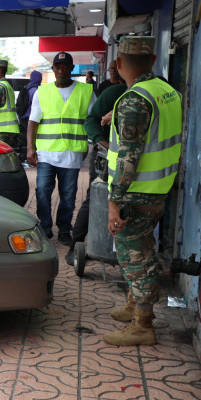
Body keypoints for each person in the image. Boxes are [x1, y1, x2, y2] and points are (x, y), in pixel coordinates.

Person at [103, 35, 182, 347]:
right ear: (152, 60)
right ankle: (136, 304)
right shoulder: (166, 91)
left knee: (136, 257)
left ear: (120, 63)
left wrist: (113, 202)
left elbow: (129, 157)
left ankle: (142, 324)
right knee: (141, 251)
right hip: (157, 189)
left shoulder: (135, 100)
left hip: (135, 195)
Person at [26, 52, 96, 244]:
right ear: (53, 69)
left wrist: (96, 142)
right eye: (57, 67)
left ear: (72, 69)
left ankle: (64, 229)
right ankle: (46, 227)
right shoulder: (43, 92)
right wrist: (30, 148)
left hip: (72, 153)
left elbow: (93, 120)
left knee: (68, 195)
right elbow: (33, 121)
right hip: (47, 153)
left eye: (65, 67)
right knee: (42, 191)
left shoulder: (86, 91)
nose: (61, 70)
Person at [65, 81, 128, 265]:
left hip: (138, 164)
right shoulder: (115, 92)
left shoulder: (155, 92)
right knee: (95, 198)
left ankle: (121, 251)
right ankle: (74, 246)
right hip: (106, 157)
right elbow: (91, 120)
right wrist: (102, 143)